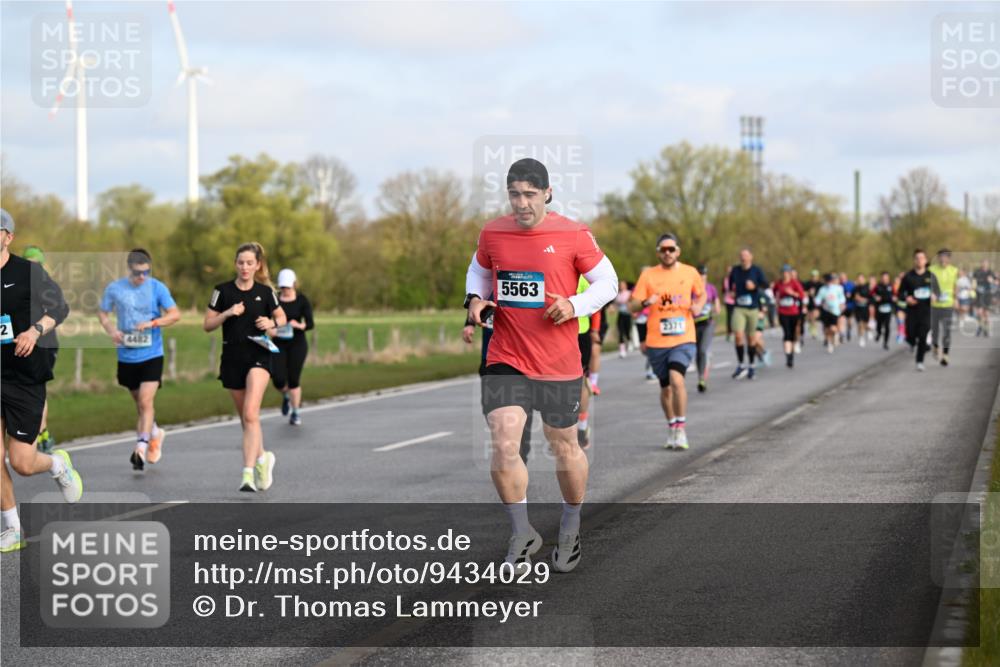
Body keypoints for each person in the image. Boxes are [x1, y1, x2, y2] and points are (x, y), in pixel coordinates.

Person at [465, 157, 617, 574]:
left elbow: (609, 283)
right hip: (506, 355)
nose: (522, 203)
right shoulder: (493, 232)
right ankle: (521, 532)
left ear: (547, 193)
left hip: (557, 360)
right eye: (514, 194)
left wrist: (574, 304)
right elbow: (477, 272)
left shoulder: (573, 234)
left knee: (563, 445)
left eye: (530, 194)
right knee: (503, 438)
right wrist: (474, 302)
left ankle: (570, 525)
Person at [0, 209, 81, 553]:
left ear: (8, 236)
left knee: (22, 462)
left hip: (23, 376)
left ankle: (57, 465)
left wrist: (34, 331)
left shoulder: (28, 272)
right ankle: (12, 527)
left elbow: (59, 308)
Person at [204, 242, 286, 492]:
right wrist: (227, 313)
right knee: (247, 419)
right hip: (232, 357)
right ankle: (263, 458)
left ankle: (247, 474)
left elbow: (282, 320)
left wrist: (270, 323)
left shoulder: (266, 292)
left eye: (250, 263)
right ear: (235, 264)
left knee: (251, 413)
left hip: (259, 355)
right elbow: (207, 325)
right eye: (241, 262)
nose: (245, 267)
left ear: (257, 265)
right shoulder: (222, 291)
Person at [99, 249, 181, 470]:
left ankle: (141, 449)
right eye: (138, 272)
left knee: (146, 401)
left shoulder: (157, 287)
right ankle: (155, 433)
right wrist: (111, 330)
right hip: (127, 355)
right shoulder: (115, 288)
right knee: (140, 404)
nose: (142, 277)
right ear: (129, 269)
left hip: (152, 354)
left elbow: (175, 314)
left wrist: (153, 323)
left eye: (146, 272)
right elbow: (103, 313)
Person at [630, 233, 705, 450]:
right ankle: (672, 425)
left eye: (671, 249)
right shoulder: (648, 275)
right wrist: (645, 301)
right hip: (656, 341)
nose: (667, 253)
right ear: (658, 253)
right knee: (665, 389)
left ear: (678, 251)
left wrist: (698, 305)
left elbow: (701, 295)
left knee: (676, 380)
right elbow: (632, 306)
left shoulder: (690, 272)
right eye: (663, 250)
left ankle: (681, 428)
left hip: (684, 338)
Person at [463, 303, 534, 464]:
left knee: (519, 408)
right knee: (489, 407)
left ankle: (519, 449)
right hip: (489, 357)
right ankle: (506, 440)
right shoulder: (488, 286)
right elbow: (476, 301)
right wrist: (469, 324)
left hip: (516, 358)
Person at [23, 245, 57, 453]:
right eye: (29, 264)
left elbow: (57, 311)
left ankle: (41, 431)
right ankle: (39, 431)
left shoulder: (47, 284)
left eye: (36, 264)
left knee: (37, 387)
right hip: (22, 342)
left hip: (45, 343)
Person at [269, 268, 314, 426]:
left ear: (294, 284)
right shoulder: (274, 300)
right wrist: (271, 329)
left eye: (288, 287)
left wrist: (299, 325)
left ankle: (295, 413)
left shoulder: (302, 300)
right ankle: (286, 396)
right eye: (283, 287)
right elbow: (266, 320)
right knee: (278, 379)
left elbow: (310, 324)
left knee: (294, 379)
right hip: (278, 342)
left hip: (297, 343)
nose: (285, 290)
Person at [728, 248, 767, 380]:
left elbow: (765, 285)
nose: (743, 258)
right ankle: (741, 365)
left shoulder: (757, 270)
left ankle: (751, 365)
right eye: (741, 256)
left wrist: (754, 286)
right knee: (738, 336)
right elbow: (729, 285)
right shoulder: (735, 270)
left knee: (751, 339)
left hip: (753, 308)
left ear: (751, 257)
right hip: (739, 307)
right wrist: (730, 292)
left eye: (745, 255)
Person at [575, 276, 602, 448]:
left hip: (579, 334)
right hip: (552, 336)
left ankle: (582, 426)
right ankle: (561, 429)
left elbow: (596, 307)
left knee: (579, 381)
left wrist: (594, 329)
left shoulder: (583, 278)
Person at [899, 249, 934, 371]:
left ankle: (919, 361)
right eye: (917, 258)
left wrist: (935, 296)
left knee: (923, 335)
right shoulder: (908, 276)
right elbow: (900, 293)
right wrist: (906, 298)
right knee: (910, 334)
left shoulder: (931, 276)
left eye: (922, 258)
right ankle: (912, 342)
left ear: (926, 260)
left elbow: (938, 292)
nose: (919, 260)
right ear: (914, 260)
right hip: (912, 311)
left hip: (926, 311)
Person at [772, 264, 807, 368]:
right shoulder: (778, 284)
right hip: (783, 312)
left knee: (793, 334)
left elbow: (801, 295)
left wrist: (792, 293)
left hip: (794, 312)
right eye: (783, 273)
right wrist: (778, 299)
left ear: (790, 273)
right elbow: (774, 293)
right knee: (786, 334)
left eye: (787, 272)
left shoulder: (794, 283)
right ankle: (788, 356)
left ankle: (793, 349)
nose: (785, 275)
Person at [694, 264, 720, 393]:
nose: (702, 277)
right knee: (698, 352)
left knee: (703, 350)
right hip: (694, 324)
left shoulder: (710, 288)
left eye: (703, 274)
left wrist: (716, 309)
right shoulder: (691, 289)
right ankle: (700, 376)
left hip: (707, 323)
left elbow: (716, 301)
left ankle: (702, 378)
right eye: (699, 274)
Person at [929, 249, 958, 366]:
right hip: (934, 305)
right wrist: (931, 293)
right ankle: (935, 346)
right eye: (940, 256)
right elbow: (927, 283)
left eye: (945, 256)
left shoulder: (954, 270)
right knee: (934, 331)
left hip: (948, 305)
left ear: (949, 258)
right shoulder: (932, 270)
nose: (942, 259)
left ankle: (945, 355)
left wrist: (956, 299)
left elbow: (955, 286)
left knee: (946, 331)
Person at [815, 273, 846, 353]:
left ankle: (836, 335)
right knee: (826, 329)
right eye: (827, 281)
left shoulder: (838, 288)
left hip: (835, 311)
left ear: (832, 281)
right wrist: (817, 303)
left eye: (830, 280)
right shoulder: (822, 289)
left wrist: (842, 304)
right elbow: (818, 299)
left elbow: (842, 298)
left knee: (833, 327)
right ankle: (829, 343)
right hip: (825, 311)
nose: (828, 282)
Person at [873, 271, 895, 351]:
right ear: (881, 279)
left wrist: (894, 299)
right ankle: (878, 333)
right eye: (883, 278)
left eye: (886, 278)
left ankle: (885, 343)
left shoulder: (891, 286)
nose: (885, 280)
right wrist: (875, 297)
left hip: (888, 309)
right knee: (879, 325)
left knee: (887, 326)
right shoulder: (877, 286)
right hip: (879, 309)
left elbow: (896, 295)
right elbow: (872, 294)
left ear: (888, 279)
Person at [973, 259, 995, 337]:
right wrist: (974, 287)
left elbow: (995, 281)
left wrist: (991, 280)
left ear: (988, 264)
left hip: (987, 295)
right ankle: (980, 327)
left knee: (986, 314)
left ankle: (986, 329)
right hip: (979, 294)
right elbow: (974, 281)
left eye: (986, 263)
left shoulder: (990, 272)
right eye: (983, 263)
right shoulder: (977, 271)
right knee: (979, 312)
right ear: (981, 264)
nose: (984, 265)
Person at [614, 280, 633, 358]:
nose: (621, 286)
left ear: (625, 285)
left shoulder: (629, 293)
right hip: (620, 315)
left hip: (627, 315)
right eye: (620, 285)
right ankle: (622, 351)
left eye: (622, 285)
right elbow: (616, 305)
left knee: (627, 331)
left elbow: (632, 302)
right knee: (621, 332)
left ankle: (629, 340)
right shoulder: (617, 294)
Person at [853, 273, 871, 347]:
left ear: (864, 279)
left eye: (861, 279)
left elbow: (871, 298)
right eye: (858, 279)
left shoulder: (867, 287)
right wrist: (855, 298)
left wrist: (864, 299)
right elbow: (852, 297)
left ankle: (869, 330)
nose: (860, 280)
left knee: (865, 324)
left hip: (865, 308)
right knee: (860, 324)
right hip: (858, 308)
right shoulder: (855, 288)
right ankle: (861, 338)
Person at [722, 266, 736, 341]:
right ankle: (729, 333)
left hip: (736, 301)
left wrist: (735, 294)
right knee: (729, 317)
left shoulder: (736, 279)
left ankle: (736, 332)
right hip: (728, 300)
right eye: (728, 271)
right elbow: (723, 290)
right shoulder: (725, 280)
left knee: (735, 317)